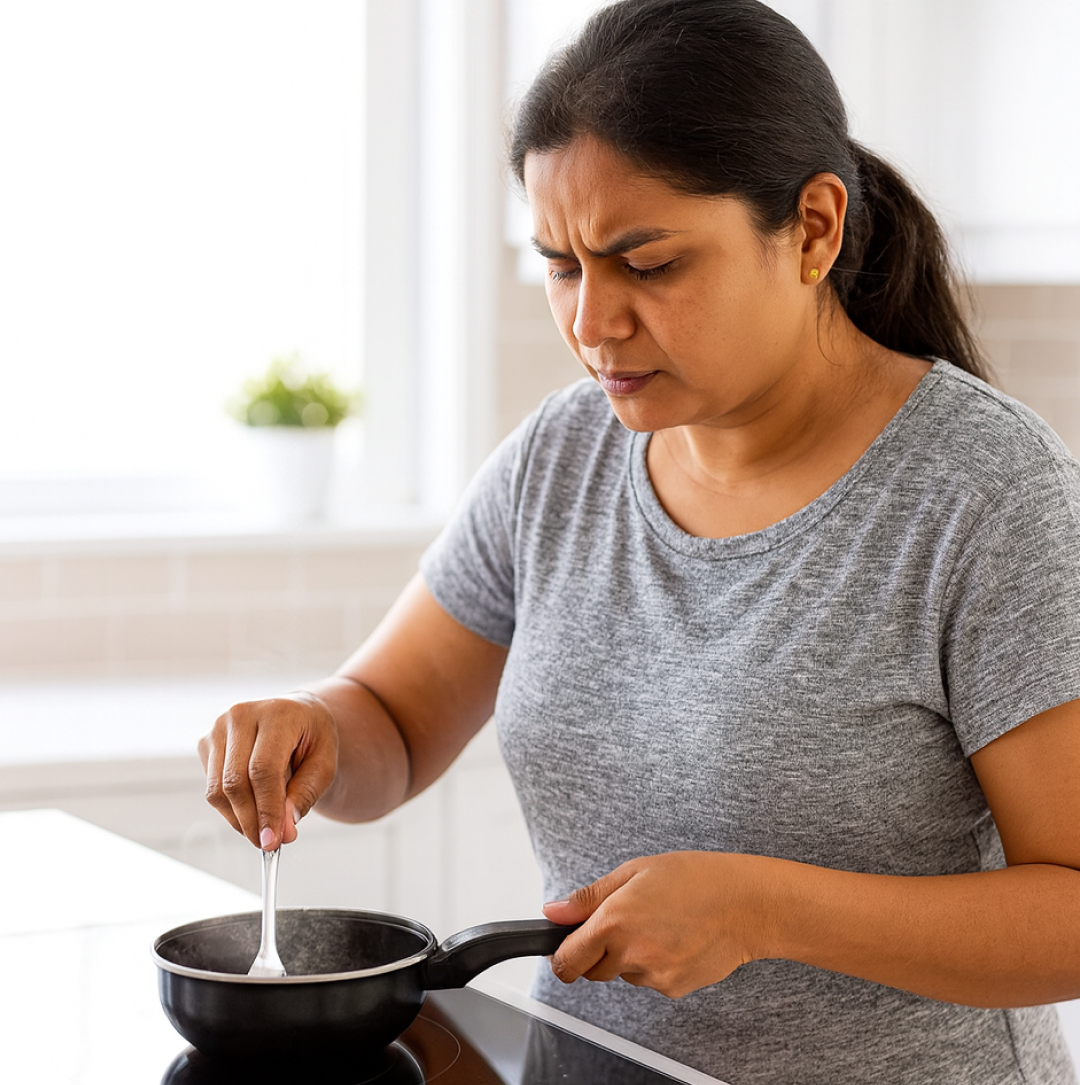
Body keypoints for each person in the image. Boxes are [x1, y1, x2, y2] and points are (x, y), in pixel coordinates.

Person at [199, 1, 1080, 1082]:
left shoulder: (986, 496)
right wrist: (311, 728)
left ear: (812, 227)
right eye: (563, 265)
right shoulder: (561, 458)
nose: (591, 322)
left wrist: (768, 907)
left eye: (648, 264)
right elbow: (389, 722)